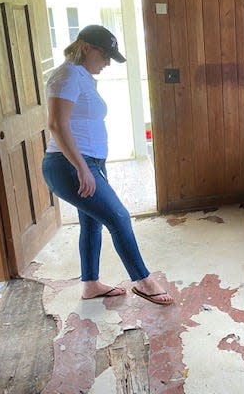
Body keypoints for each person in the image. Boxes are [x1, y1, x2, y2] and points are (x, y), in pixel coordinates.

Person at [42, 25, 173, 306]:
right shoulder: (66, 76)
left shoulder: (81, 76)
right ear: (86, 48)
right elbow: (56, 124)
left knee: (92, 222)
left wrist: (89, 165)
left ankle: (90, 284)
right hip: (69, 165)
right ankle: (144, 281)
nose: (108, 62)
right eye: (105, 55)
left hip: (87, 162)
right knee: (119, 217)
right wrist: (81, 167)